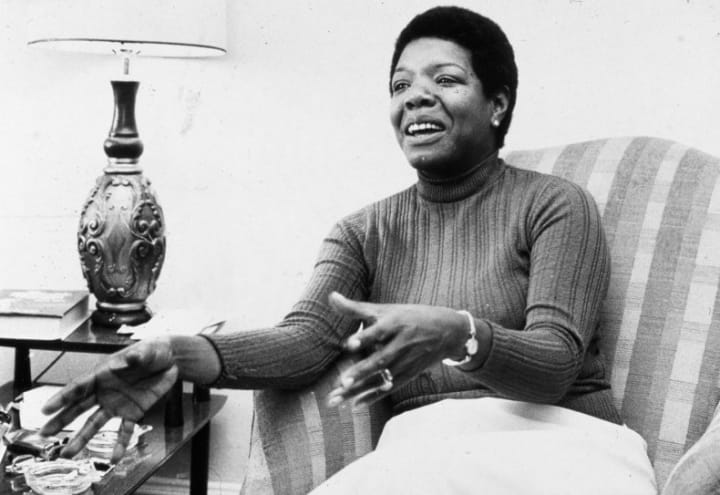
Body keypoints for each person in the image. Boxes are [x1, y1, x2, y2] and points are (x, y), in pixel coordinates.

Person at [41, 6, 657, 494]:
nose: (415, 97)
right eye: (400, 85)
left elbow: (554, 363)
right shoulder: (364, 231)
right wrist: (179, 354)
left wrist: (458, 333)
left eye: (445, 79)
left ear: (497, 104)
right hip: (427, 454)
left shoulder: (554, 203)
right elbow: (304, 342)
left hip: (562, 448)